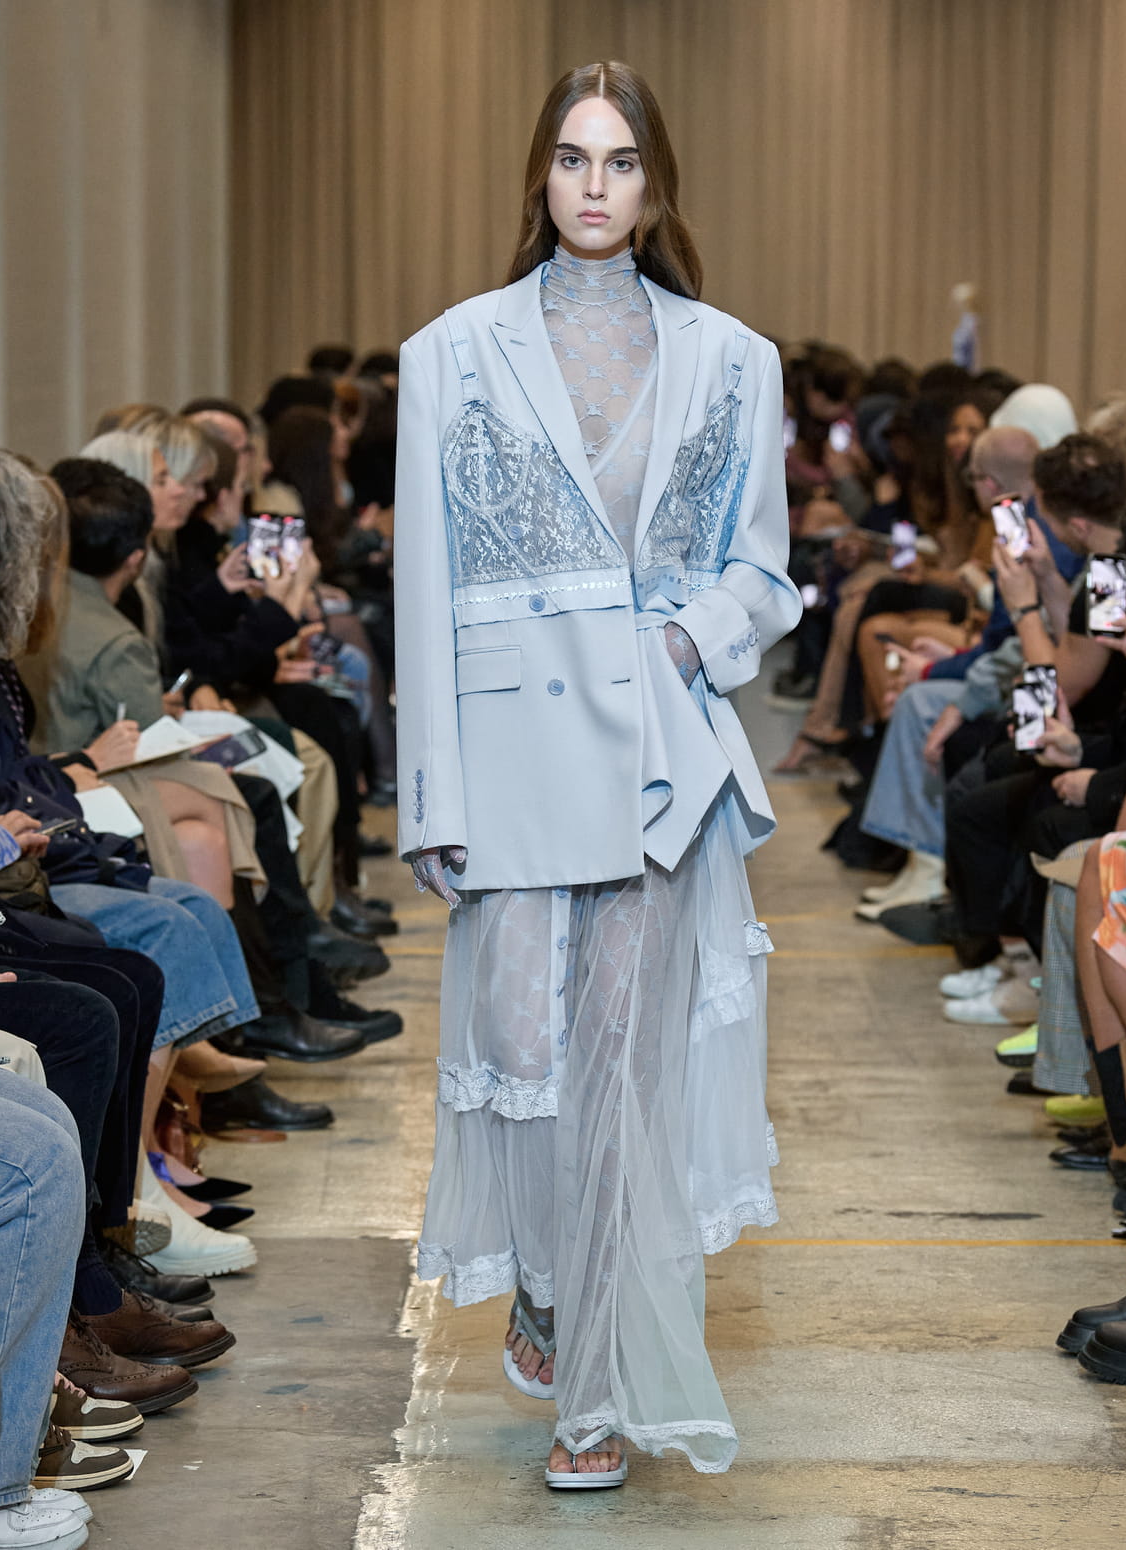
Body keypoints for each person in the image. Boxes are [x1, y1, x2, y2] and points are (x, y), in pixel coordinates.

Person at [395, 61, 800, 1488]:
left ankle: (597, 1400)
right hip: (509, 760)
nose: (595, 185)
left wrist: (687, 639)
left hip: (656, 762)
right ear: (541, 173)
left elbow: (764, 570)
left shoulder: (731, 359)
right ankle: (551, 1286)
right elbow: (425, 587)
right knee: (526, 1056)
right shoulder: (450, 352)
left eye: (621, 161)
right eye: (574, 158)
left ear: (654, 182)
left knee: (621, 1069)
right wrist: (429, 796)